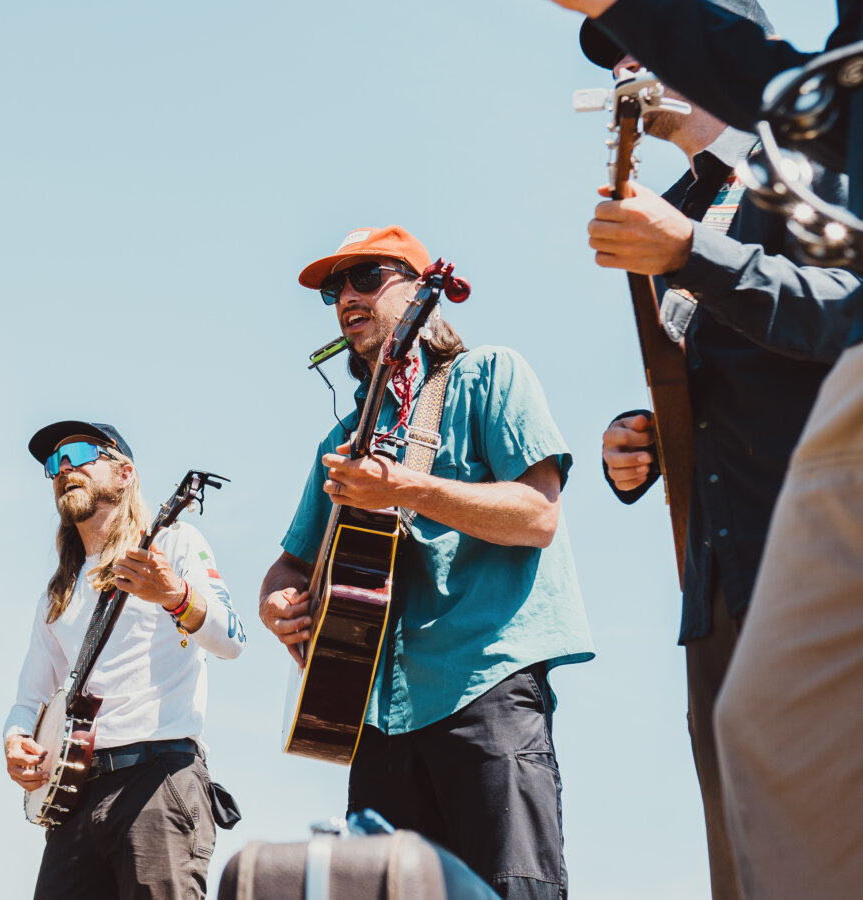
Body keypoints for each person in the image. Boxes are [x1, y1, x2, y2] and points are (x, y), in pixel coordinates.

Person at [549, 1, 863, 895]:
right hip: (716, 584)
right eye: (616, 58)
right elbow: (724, 373)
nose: (627, 67)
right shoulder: (677, 205)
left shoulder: (818, 166)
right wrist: (645, 437)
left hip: (822, 551)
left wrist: (695, 257)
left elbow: (845, 314)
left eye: (646, 41)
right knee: (747, 854)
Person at [259, 227, 594, 900]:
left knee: (511, 891)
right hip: (376, 718)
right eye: (333, 289)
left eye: (365, 278)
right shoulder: (343, 437)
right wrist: (278, 605)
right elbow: (288, 567)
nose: (344, 298)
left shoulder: (492, 374)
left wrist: (407, 490)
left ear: (420, 290)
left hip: (485, 689)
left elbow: (539, 515)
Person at [4, 420, 245, 900]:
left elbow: (231, 638)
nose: (64, 468)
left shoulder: (174, 543)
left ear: (124, 473)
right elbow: (29, 698)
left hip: (157, 779)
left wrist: (174, 596)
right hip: (73, 797)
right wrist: (14, 741)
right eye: (54, 463)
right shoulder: (57, 594)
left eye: (79, 453)